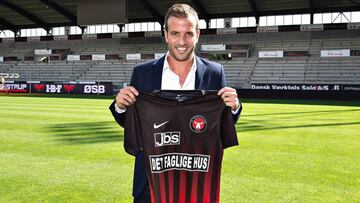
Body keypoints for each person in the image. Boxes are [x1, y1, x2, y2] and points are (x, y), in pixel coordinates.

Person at [109, 3, 242, 203]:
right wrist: (121, 105)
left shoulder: (215, 72)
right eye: (175, 33)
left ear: (197, 34)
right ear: (166, 35)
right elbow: (136, 122)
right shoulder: (143, 73)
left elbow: (220, 122)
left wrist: (234, 108)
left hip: (196, 178)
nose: (182, 41)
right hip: (150, 180)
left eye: (188, 33)